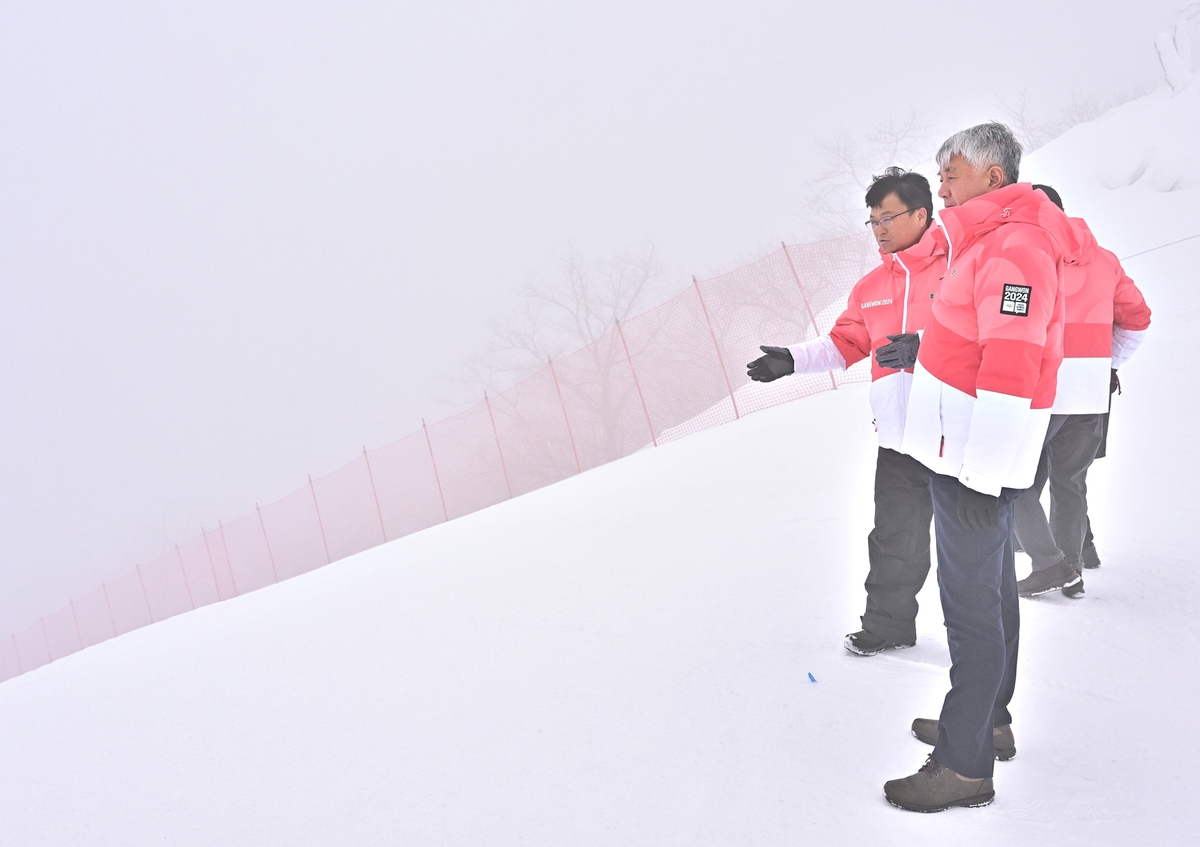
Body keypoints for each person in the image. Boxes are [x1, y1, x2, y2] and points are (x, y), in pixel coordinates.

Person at [883, 123, 1078, 812]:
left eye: (951, 171)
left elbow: (1013, 366)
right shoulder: (991, 239)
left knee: (971, 617)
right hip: (964, 455)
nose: (941, 183)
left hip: (973, 465)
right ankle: (986, 720)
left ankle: (964, 764)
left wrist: (981, 476)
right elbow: (975, 335)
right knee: (992, 596)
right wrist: (924, 344)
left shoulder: (1016, 247)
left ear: (993, 178)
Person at [746, 167, 946, 656]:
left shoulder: (961, 266)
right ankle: (888, 625)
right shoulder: (871, 285)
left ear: (921, 215)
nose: (878, 228)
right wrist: (791, 360)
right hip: (899, 438)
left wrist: (926, 350)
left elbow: (987, 331)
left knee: (973, 545)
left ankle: (983, 640)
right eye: (872, 219)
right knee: (894, 539)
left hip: (955, 431)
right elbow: (845, 343)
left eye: (888, 216)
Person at [1012, 185, 1152, 598]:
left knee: (1012, 485)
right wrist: (1106, 363)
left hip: (1042, 388)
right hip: (1091, 393)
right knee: (1069, 483)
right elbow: (1139, 319)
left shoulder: (1027, 257)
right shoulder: (1104, 259)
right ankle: (1070, 570)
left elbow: (1010, 318)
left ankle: (1050, 564)